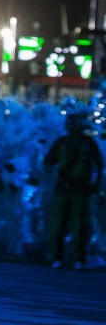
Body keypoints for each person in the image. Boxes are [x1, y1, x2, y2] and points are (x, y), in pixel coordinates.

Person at [44, 111, 103, 269]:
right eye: (69, 123)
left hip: (81, 189)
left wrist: (96, 185)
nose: (71, 126)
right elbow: (49, 161)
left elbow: (99, 164)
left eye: (74, 123)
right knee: (59, 224)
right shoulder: (61, 142)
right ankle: (57, 256)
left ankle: (79, 258)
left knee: (80, 224)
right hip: (63, 188)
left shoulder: (89, 143)